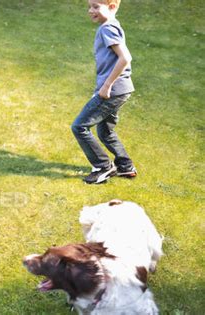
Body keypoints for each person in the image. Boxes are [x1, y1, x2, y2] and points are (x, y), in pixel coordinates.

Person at [71, 0, 136, 184]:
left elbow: (125, 58)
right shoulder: (112, 26)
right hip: (121, 90)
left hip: (113, 91)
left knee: (79, 126)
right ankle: (125, 166)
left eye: (96, 6)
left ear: (112, 7)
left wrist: (106, 86)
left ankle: (103, 167)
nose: (91, 11)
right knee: (105, 131)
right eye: (89, 6)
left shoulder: (107, 29)